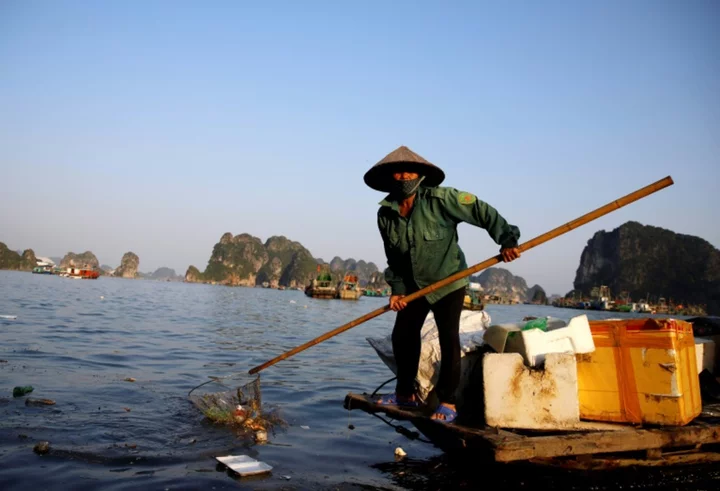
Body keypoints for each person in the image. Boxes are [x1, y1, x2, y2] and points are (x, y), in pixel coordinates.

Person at [363, 145, 521, 423]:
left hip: (449, 281)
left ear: (420, 175)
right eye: (397, 172)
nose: (403, 177)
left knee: (449, 338)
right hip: (415, 287)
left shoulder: (441, 199)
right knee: (403, 335)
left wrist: (506, 239)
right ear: (389, 178)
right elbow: (393, 257)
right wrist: (398, 290)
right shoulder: (385, 213)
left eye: (408, 171)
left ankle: (448, 400)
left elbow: (481, 211)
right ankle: (405, 394)